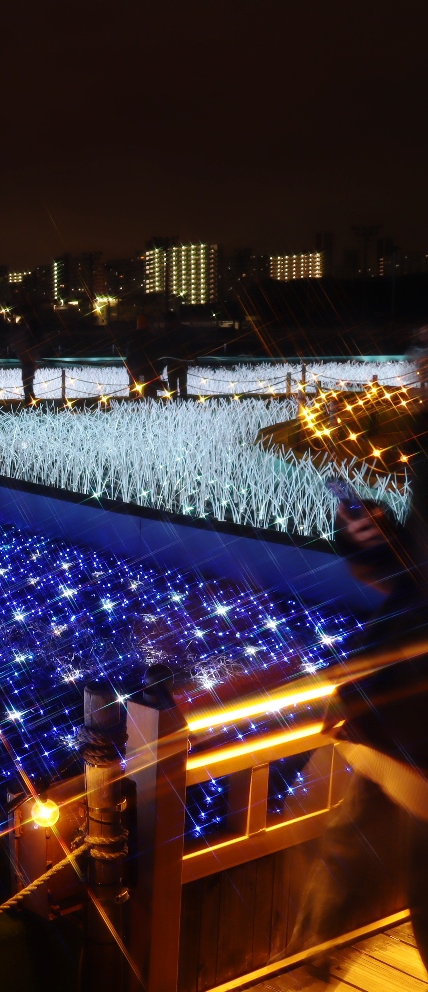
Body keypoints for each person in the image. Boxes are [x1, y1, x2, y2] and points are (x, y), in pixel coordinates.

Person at [286, 328, 428, 974]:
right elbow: (416, 577)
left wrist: (358, 690)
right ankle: (307, 965)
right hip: (401, 702)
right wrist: (377, 539)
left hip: (406, 705)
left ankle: (304, 969)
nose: (417, 365)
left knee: (355, 843)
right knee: (353, 843)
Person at [161, 311, 191, 399]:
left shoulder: (167, 332)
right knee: (182, 385)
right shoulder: (184, 330)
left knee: (174, 385)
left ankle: (176, 402)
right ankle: (183, 402)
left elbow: (164, 348)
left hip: (173, 362)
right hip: (180, 362)